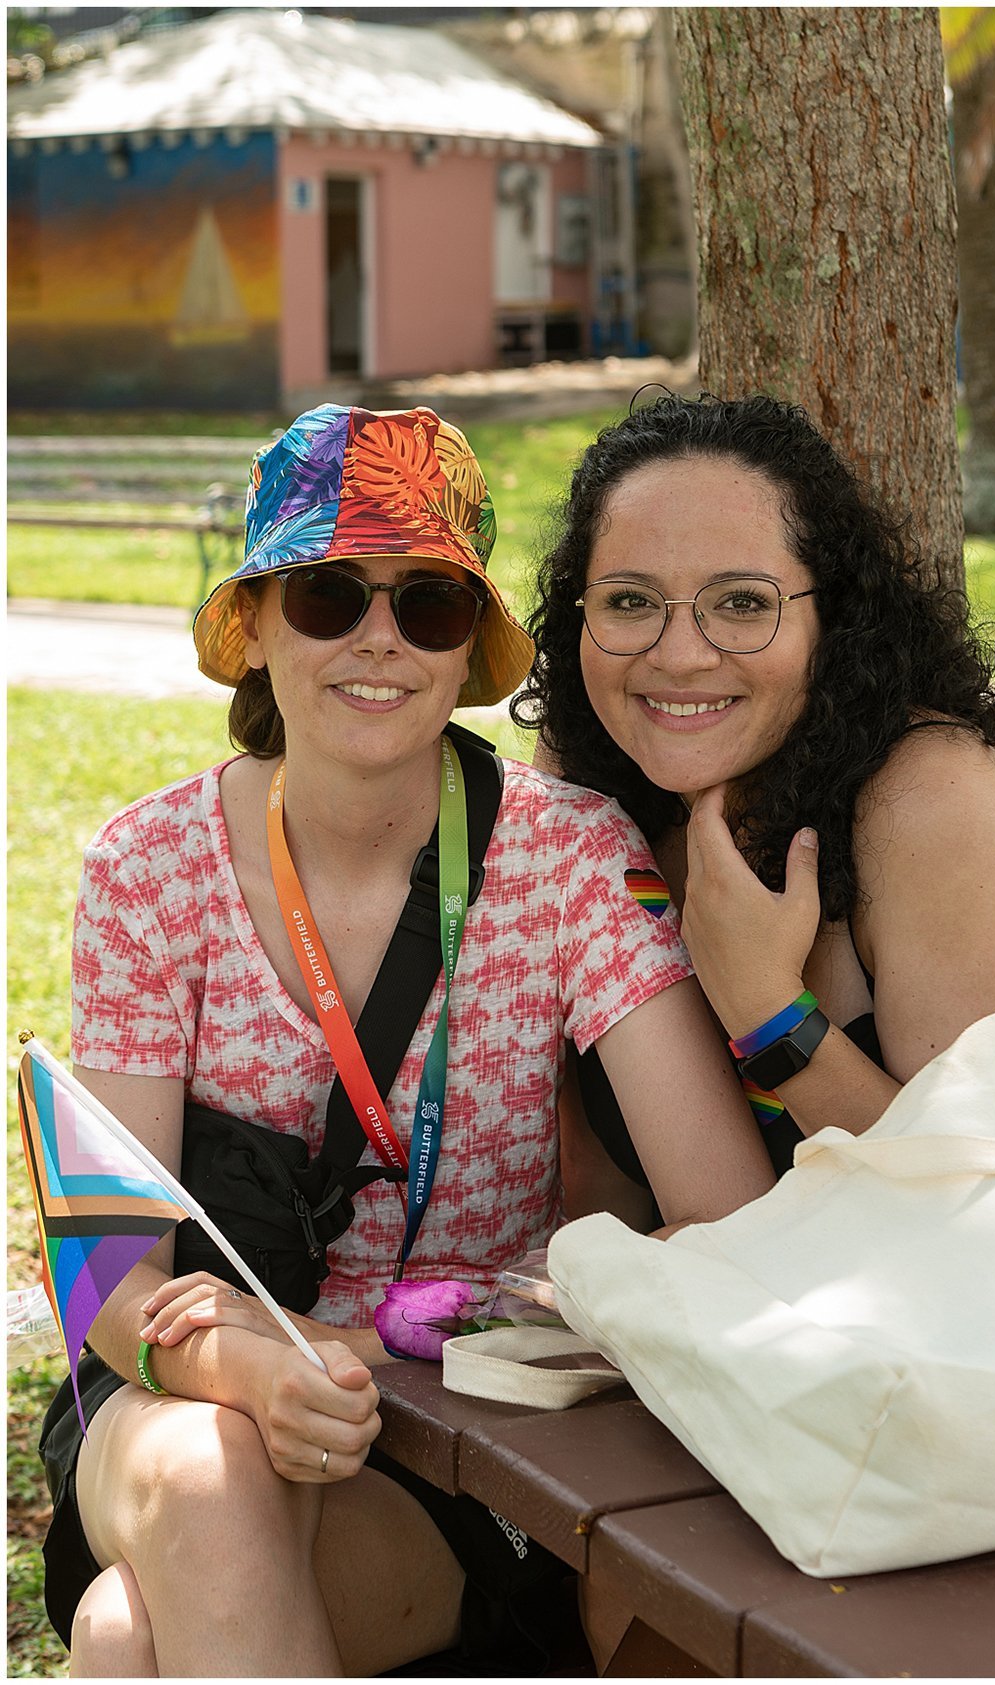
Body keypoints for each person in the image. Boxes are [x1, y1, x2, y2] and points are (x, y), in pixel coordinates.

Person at [45, 405, 775, 1677]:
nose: (378, 637)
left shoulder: (570, 857)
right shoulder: (147, 868)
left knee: (125, 1638)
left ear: (465, 647)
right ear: (256, 624)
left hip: (453, 1432)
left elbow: (728, 1218)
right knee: (210, 1472)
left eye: (429, 604)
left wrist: (389, 1341)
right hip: (181, 1392)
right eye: (329, 595)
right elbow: (109, 1278)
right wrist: (248, 1367)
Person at [514, 392, 995, 1199]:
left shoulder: (940, 801)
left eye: (742, 602)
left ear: (831, 618)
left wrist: (770, 1014)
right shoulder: (597, 779)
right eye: (629, 600)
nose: (680, 655)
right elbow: (600, 1185)